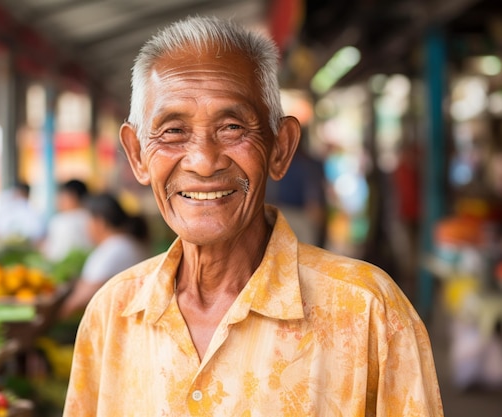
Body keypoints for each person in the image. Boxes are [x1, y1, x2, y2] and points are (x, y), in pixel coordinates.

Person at [63, 16, 443, 416]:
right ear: (137, 155)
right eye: (173, 131)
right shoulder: (112, 314)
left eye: (231, 127)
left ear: (279, 148)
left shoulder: (367, 311)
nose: (204, 162)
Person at [58, 192, 150, 319]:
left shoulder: (113, 249)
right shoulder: (127, 243)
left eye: (88, 221)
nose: (86, 227)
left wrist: (56, 317)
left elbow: (81, 299)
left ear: (99, 222)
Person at [41, 179, 93, 262]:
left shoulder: (61, 220)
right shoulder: (92, 217)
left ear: (72, 197)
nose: (58, 201)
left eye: (62, 196)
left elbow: (52, 253)